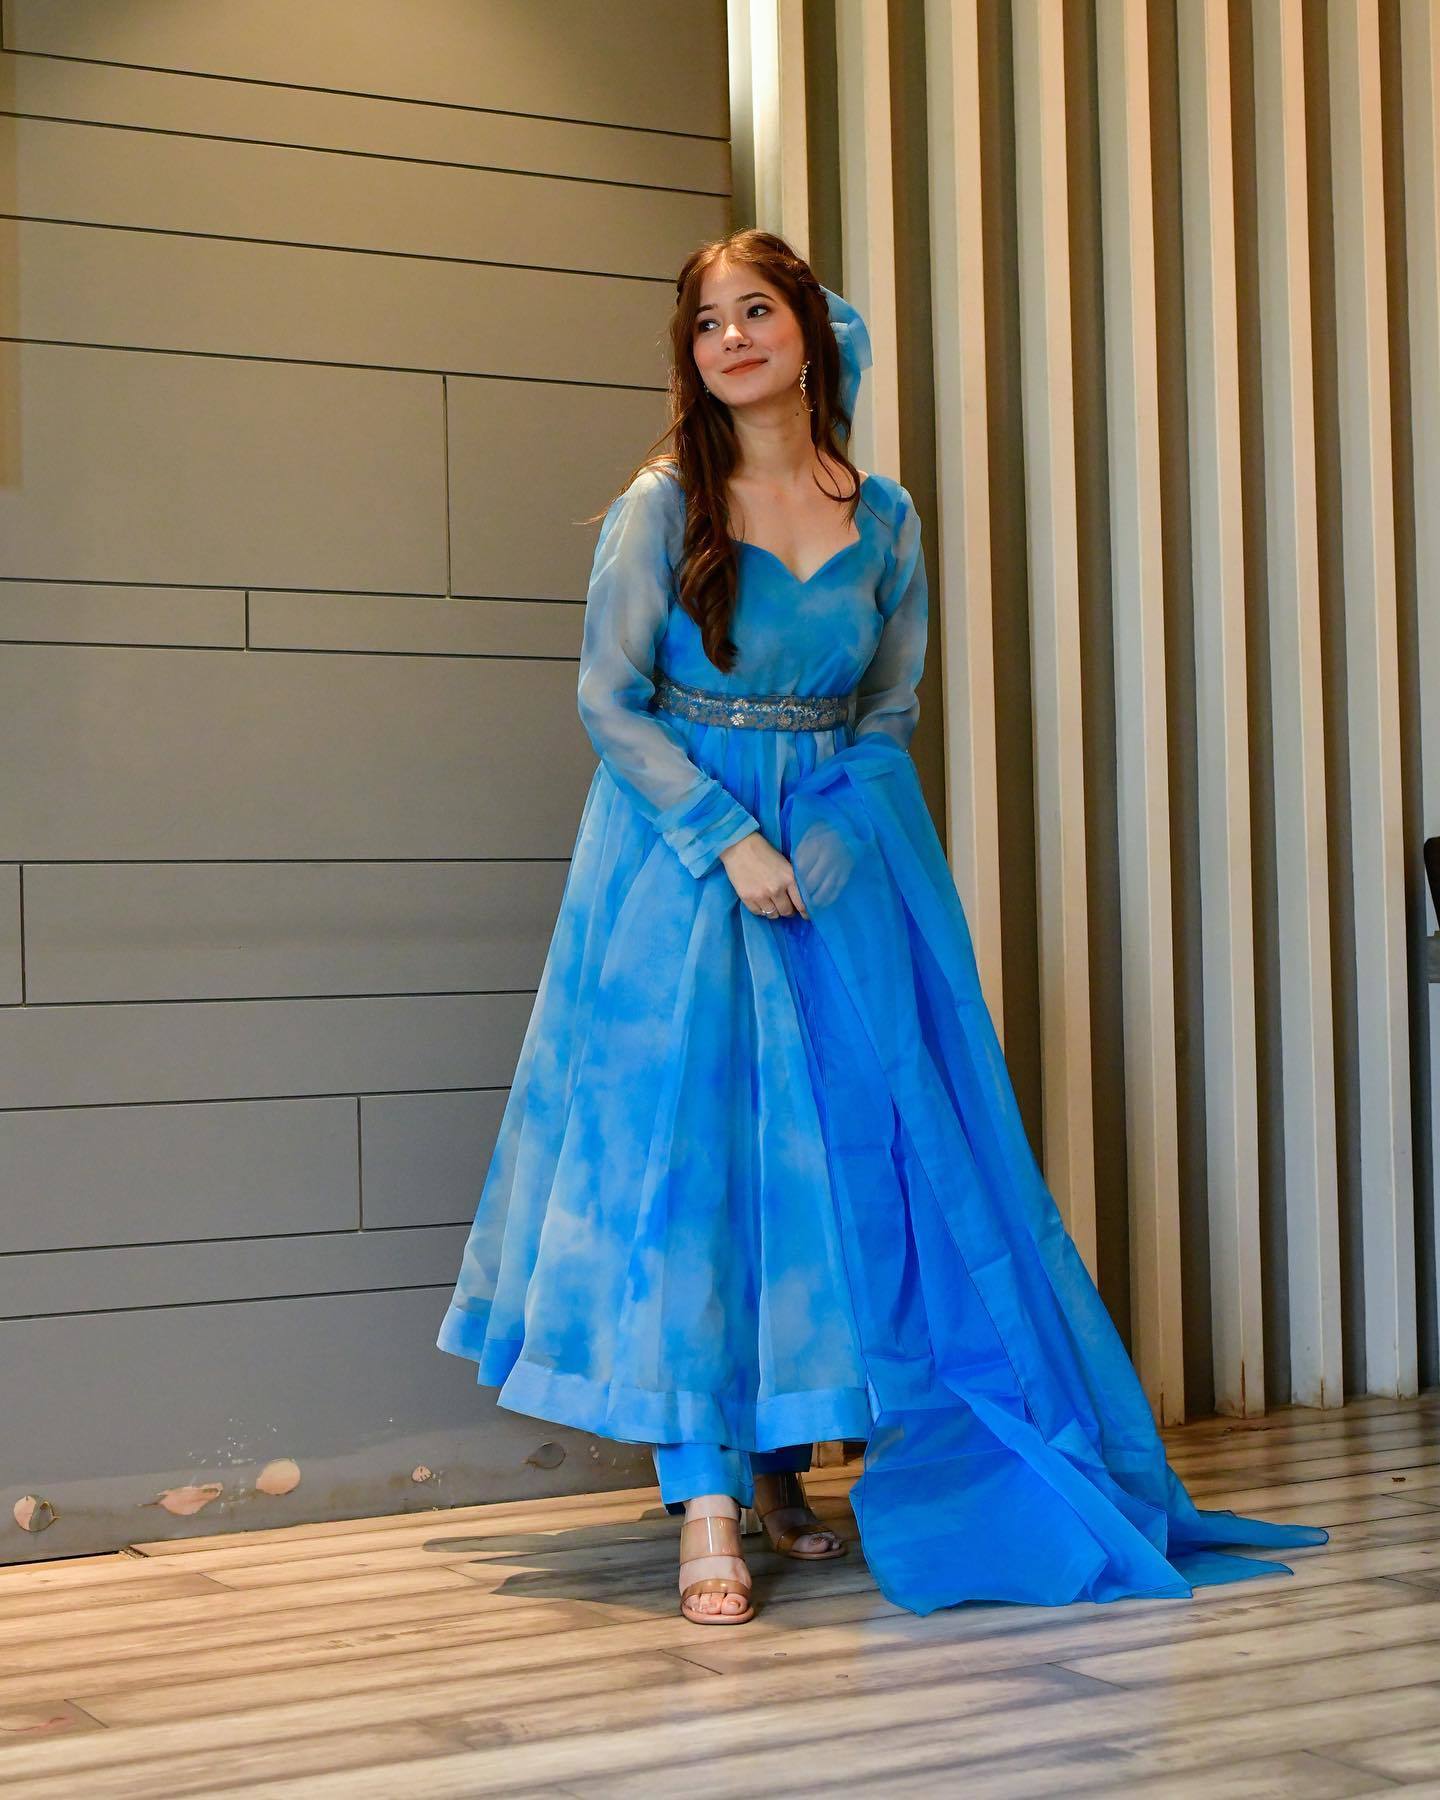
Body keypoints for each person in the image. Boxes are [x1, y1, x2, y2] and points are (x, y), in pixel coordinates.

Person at [437, 228, 1328, 1627]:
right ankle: (705, 1498)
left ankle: (785, 1469)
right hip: (681, 869)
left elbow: (888, 708)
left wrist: (837, 837)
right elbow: (610, 698)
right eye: (707, 323)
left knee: (826, 1167)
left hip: (838, 868)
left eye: (756, 311)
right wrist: (727, 839)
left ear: (809, 331)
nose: (732, 339)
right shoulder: (663, 507)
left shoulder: (887, 518)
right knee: (696, 1166)